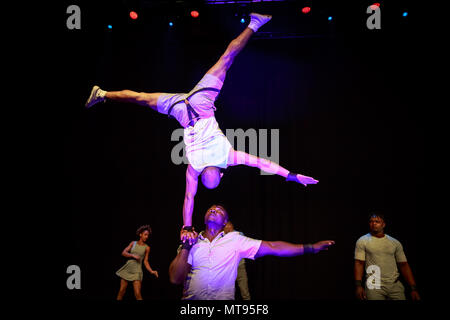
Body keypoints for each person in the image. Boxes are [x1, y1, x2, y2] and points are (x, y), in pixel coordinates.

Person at [84, 13, 319, 242]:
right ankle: (102, 93)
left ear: (222, 172)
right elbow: (189, 197)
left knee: (226, 58)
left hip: (200, 104)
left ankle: (256, 23)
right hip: (182, 111)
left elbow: (261, 162)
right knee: (141, 98)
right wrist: (186, 225)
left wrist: (291, 175)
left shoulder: (228, 157)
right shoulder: (194, 168)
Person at [168, 205, 334, 300]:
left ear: (225, 222)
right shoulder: (192, 241)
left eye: (219, 211)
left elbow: (273, 247)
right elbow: (175, 279)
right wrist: (186, 247)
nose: (213, 210)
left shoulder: (235, 240)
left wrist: (310, 247)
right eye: (211, 209)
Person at [354, 212, 420, 300]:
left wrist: (413, 288)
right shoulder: (363, 241)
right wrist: (358, 286)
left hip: (394, 284)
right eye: (371, 221)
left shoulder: (394, 242)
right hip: (374, 285)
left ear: (383, 224)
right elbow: (359, 263)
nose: (374, 224)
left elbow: (404, 265)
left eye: (377, 221)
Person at [116, 225, 159, 300]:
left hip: (137, 270)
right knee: (121, 291)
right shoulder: (133, 243)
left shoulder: (147, 248)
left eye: (148, 235)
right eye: (145, 234)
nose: (146, 237)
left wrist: (151, 271)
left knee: (137, 294)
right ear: (140, 234)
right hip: (127, 268)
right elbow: (123, 252)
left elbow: (145, 261)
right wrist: (132, 255)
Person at [224, 220, 251, 300]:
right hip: (227, 267)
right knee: (226, 291)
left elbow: (245, 247)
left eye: (229, 225)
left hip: (240, 266)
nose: (228, 227)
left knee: (244, 290)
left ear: (232, 226)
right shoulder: (221, 236)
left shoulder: (239, 234)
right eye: (226, 226)